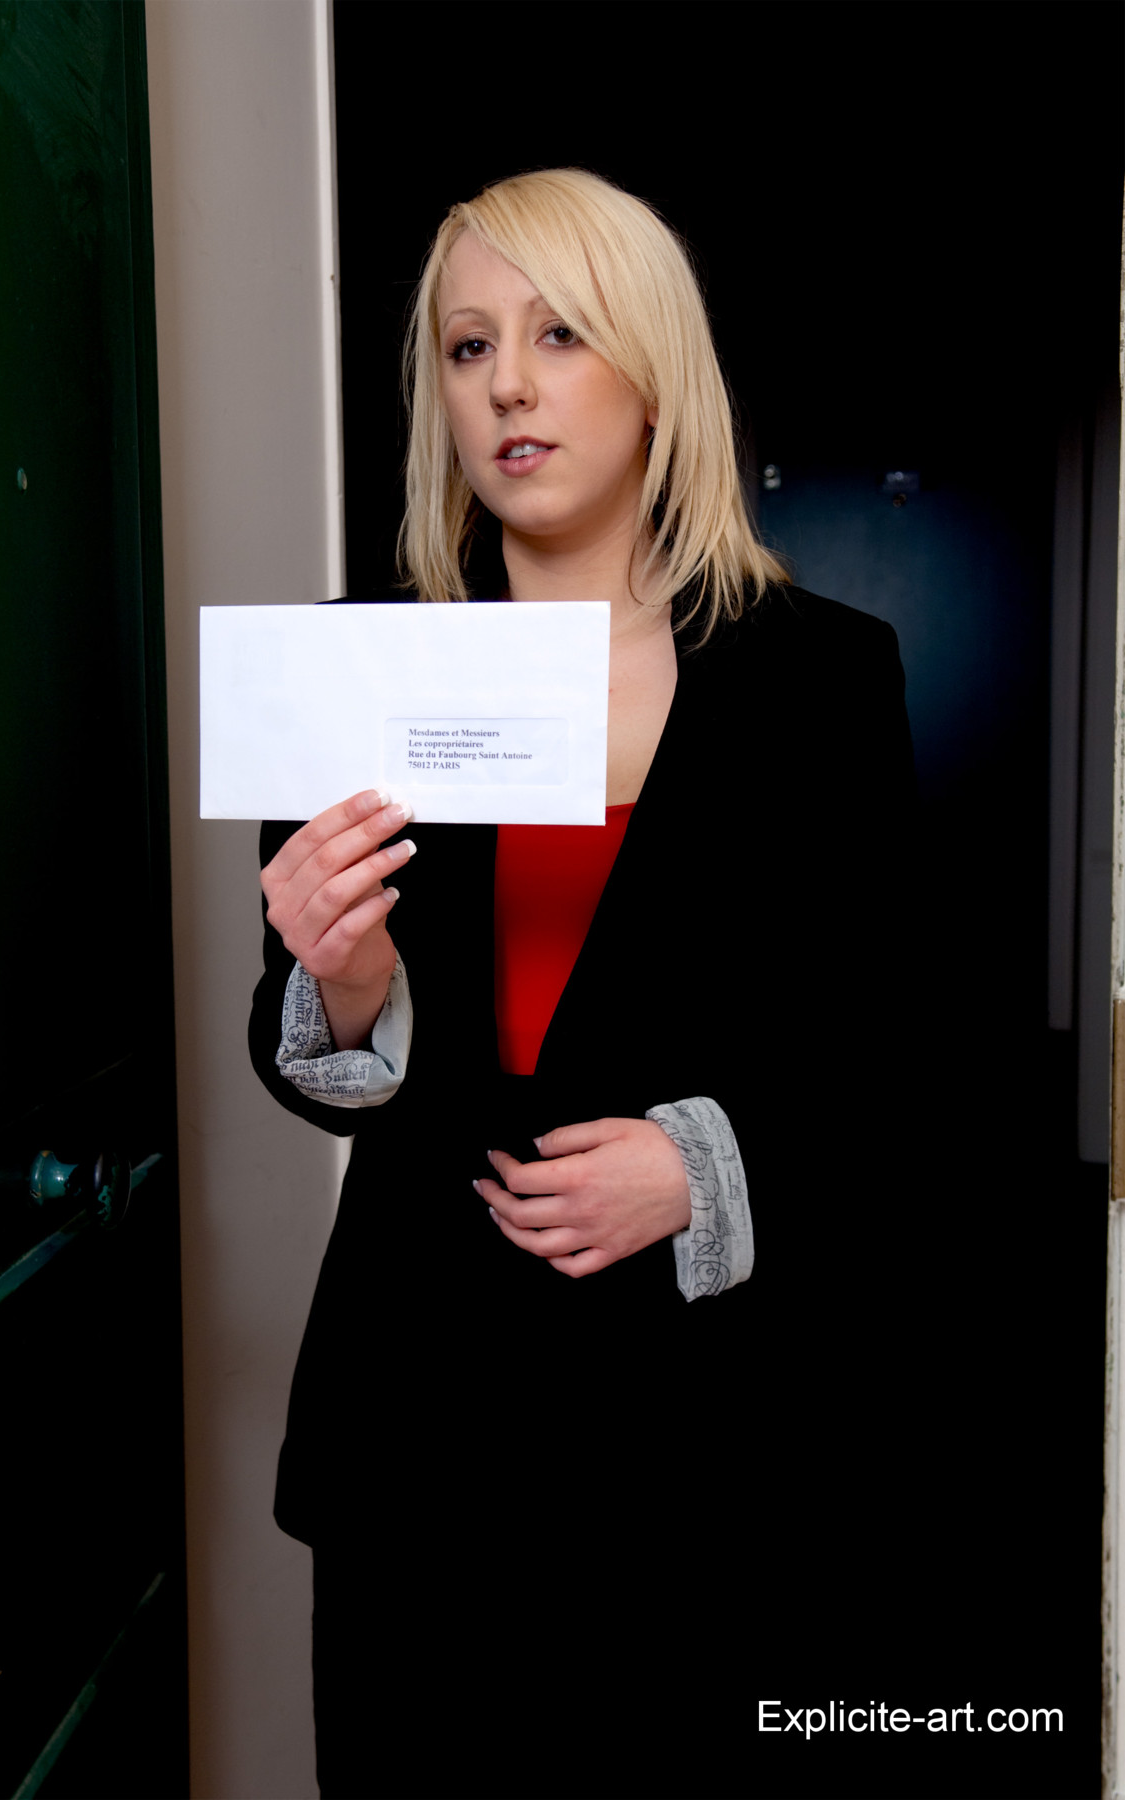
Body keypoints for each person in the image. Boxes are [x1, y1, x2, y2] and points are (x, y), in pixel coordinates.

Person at [249, 168, 917, 1799]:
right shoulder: (361, 664)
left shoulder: (822, 679)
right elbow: (308, 1050)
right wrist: (344, 974)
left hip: (699, 1433)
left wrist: (701, 1168)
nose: (509, 386)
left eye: (560, 335)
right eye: (469, 346)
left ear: (654, 373)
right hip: (419, 1426)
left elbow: (893, 1060)